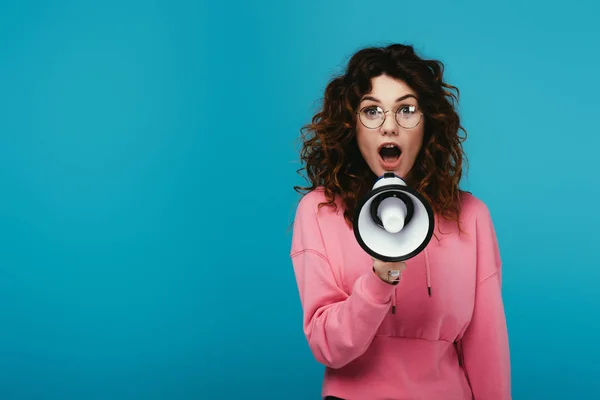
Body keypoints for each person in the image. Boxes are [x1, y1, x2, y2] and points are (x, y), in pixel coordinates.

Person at [289, 43, 511, 400]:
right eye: (372, 111)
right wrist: (379, 279)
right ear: (352, 127)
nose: (389, 127)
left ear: (427, 124)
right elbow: (327, 347)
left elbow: (487, 348)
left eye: (406, 110)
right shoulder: (319, 212)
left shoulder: (471, 216)